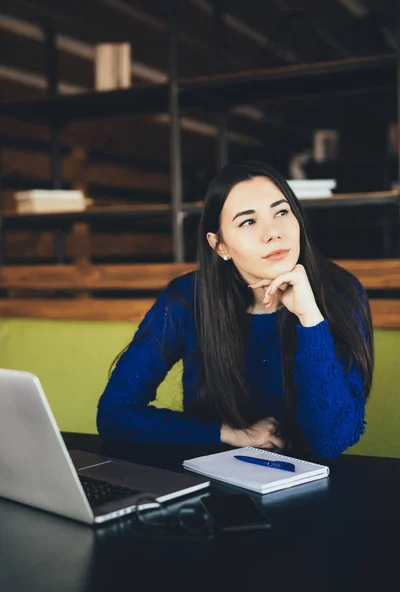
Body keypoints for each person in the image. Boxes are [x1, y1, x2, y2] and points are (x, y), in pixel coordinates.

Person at [97, 161, 374, 458]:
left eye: (281, 212)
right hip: (212, 479)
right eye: (248, 222)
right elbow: (115, 414)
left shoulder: (341, 293)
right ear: (220, 246)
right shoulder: (186, 298)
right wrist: (230, 433)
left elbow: (330, 441)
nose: (273, 233)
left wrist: (310, 319)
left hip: (312, 486)